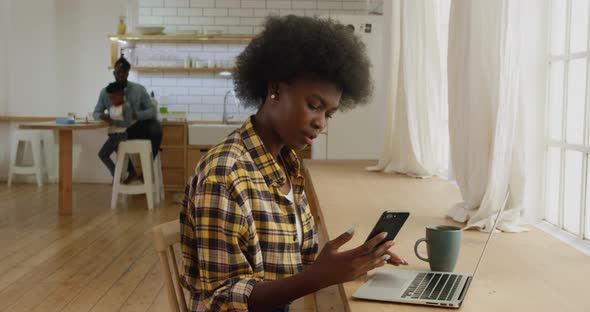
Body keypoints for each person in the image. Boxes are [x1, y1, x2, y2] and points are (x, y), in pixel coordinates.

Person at [180, 15, 407, 312]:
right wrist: (317, 278)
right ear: (274, 90)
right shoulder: (226, 176)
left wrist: (354, 261)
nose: (321, 124)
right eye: (314, 106)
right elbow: (221, 302)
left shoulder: (286, 166)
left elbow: (297, 262)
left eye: (329, 113)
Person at [93, 56, 162, 182]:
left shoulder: (138, 89)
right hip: (119, 130)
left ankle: (144, 170)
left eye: (124, 72)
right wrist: (103, 117)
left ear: (128, 73)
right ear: (114, 73)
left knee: (156, 127)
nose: (121, 75)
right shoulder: (106, 92)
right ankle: (131, 171)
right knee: (114, 139)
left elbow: (152, 110)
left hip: (137, 128)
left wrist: (137, 115)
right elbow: (96, 112)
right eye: (118, 72)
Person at [97, 82, 133, 177]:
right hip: (113, 135)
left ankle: (116, 175)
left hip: (120, 135)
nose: (111, 100)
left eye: (114, 98)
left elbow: (128, 123)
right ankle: (129, 174)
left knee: (103, 154)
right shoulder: (112, 107)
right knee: (123, 158)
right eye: (110, 98)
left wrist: (112, 121)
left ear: (121, 94)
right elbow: (111, 118)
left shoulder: (126, 107)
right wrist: (104, 117)